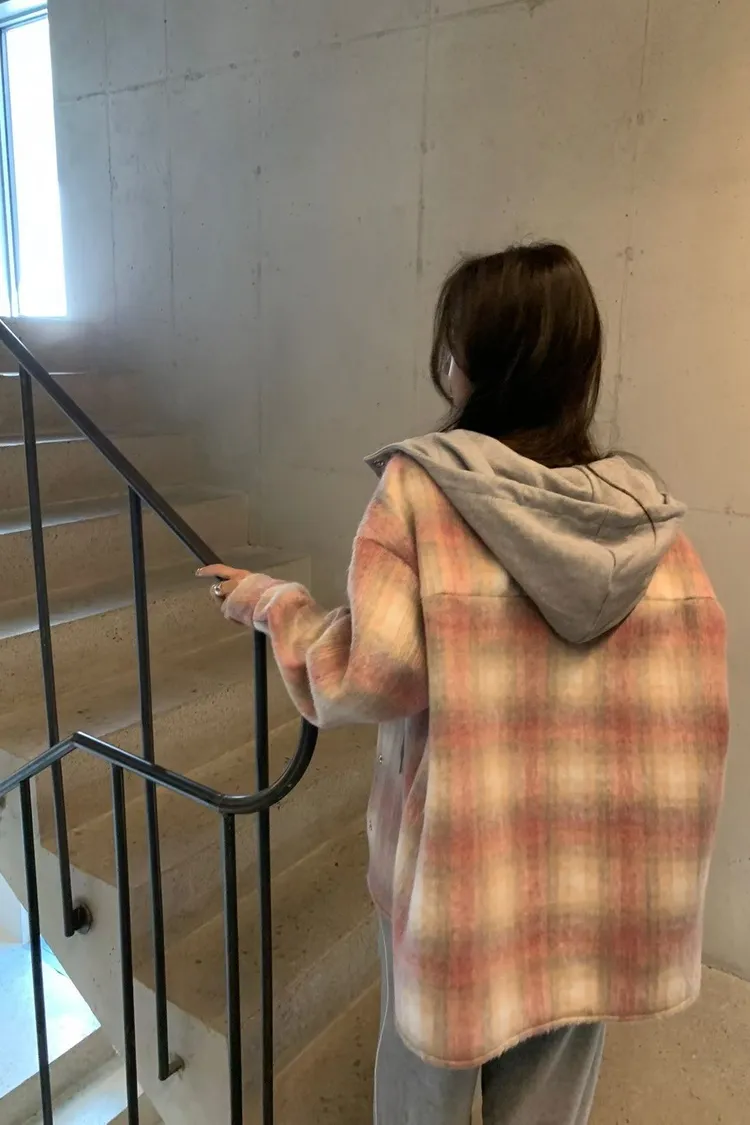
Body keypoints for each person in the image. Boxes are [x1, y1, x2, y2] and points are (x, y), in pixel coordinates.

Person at [198, 243, 729, 1125]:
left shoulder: (422, 495)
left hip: (462, 881)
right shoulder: (643, 521)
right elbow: (688, 704)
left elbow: (366, 676)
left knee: (424, 1099)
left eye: (450, 343)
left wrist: (271, 603)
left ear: (472, 360)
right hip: (594, 886)